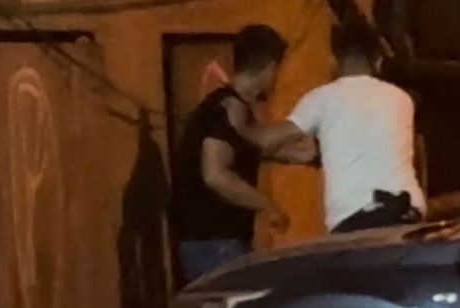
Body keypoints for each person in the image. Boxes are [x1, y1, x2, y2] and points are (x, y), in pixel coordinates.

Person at [172, 24, 313, 283]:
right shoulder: (230, 107)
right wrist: (269, 207)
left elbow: (246, 147)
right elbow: (216, 175)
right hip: (216, 245)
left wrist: (292, 153)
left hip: (210, 245)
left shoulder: (224, 106)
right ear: (270, 68)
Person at [278, 22, 426, 233]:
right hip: (408, 211)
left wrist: (240, 131)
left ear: (333, 61)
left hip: (354, 217)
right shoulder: (402, 98)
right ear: (378, 61)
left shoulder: (322, 98)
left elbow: (269, 139)